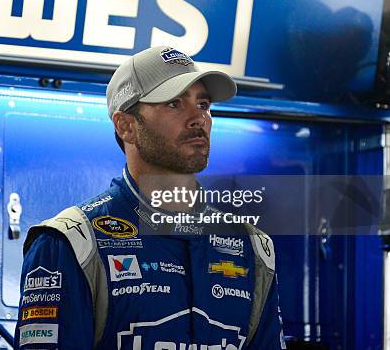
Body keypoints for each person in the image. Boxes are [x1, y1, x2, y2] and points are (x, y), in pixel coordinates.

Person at [15, 46, 286, 349]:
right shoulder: (72, 244)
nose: (199, 118)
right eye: (174, 103)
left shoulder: (253, 248)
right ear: (126, 126)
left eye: (204, 104)